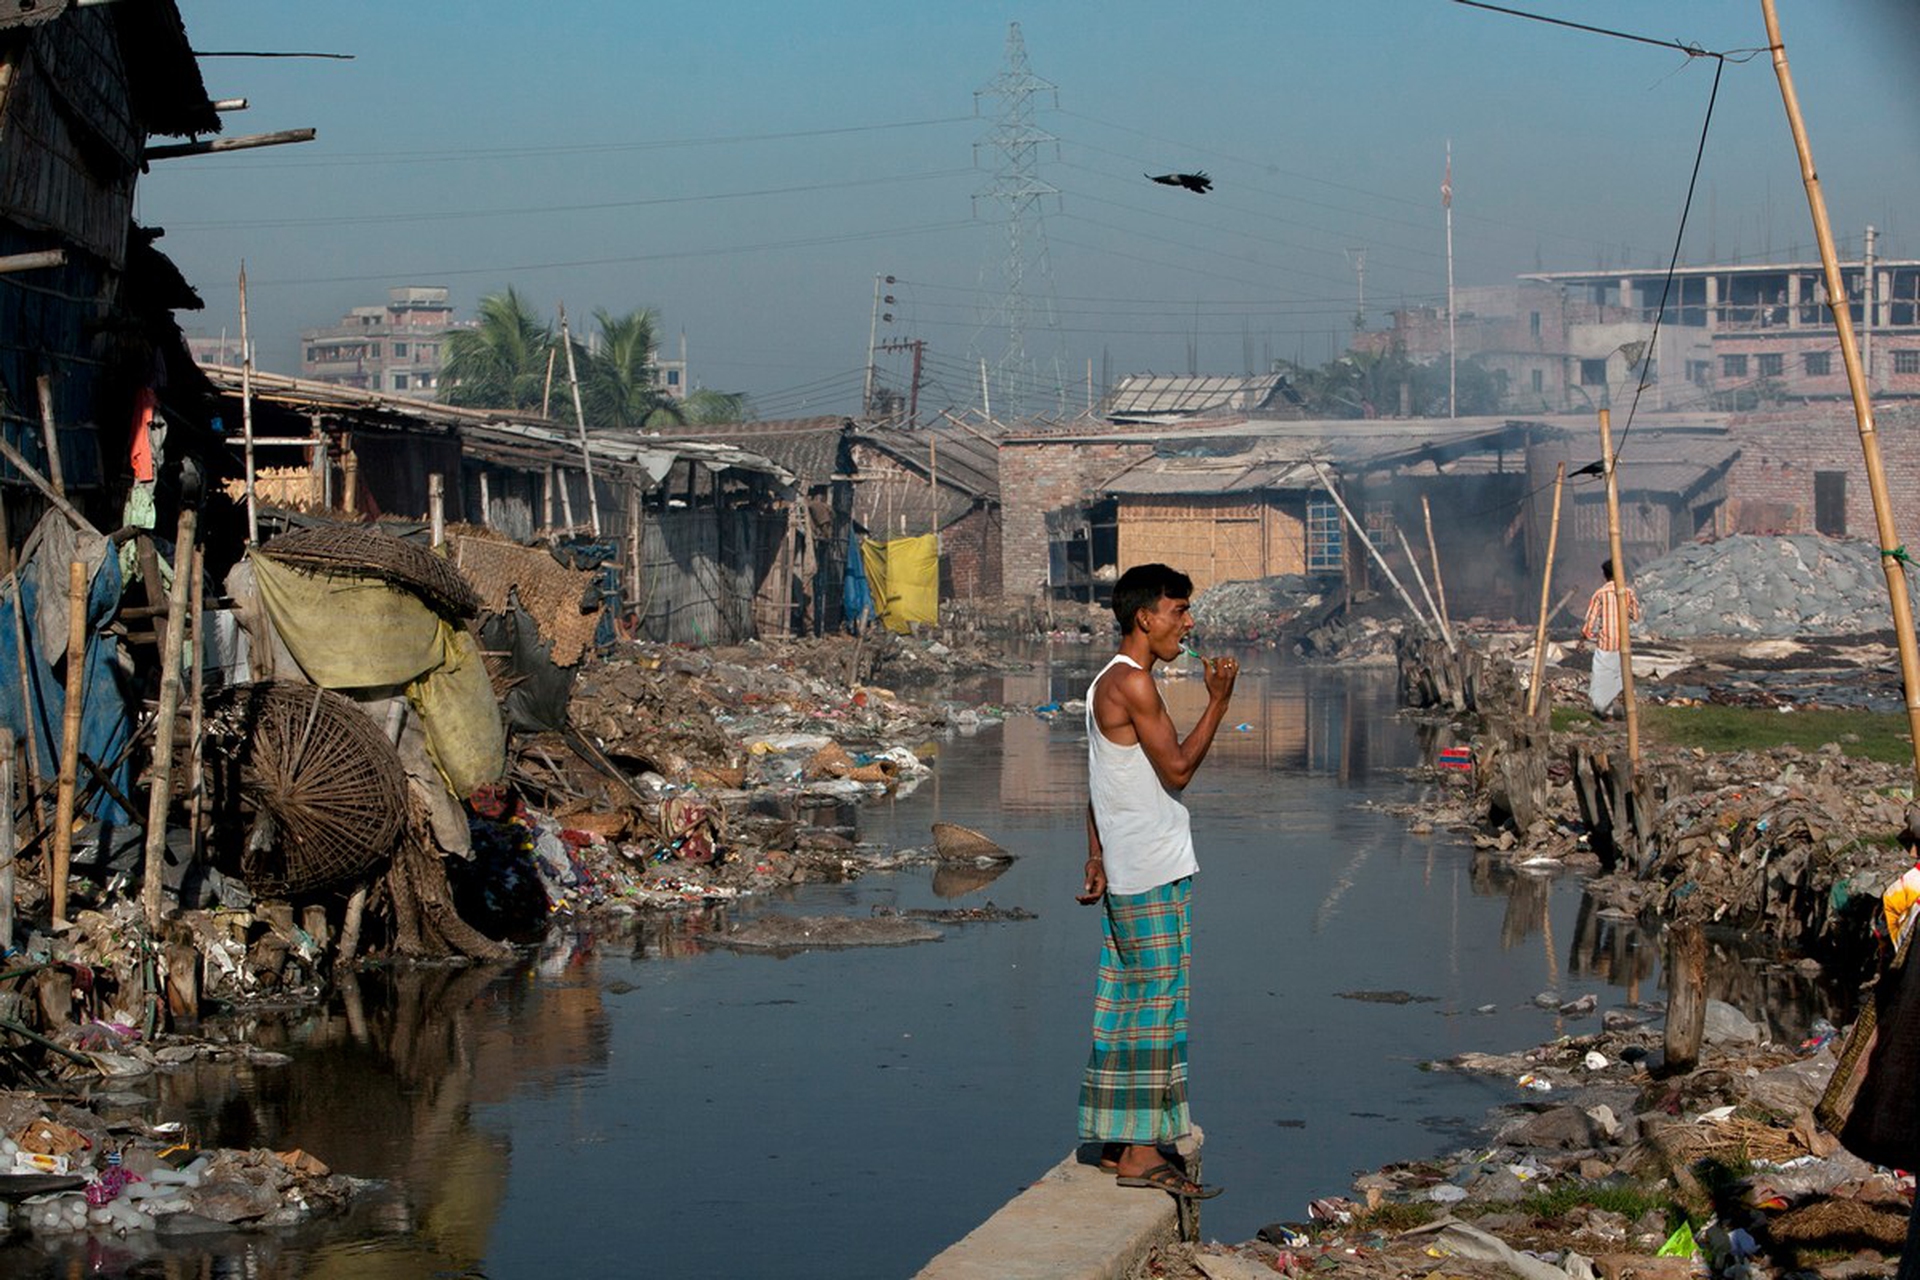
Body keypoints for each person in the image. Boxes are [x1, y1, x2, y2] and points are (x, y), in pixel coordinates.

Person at [1076, 563, 1237, 1200]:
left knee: (1125, 1004)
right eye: (1178, 611)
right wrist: (1219, 702)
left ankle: (1119, 1140)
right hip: (1149, 870)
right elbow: (1176, 771)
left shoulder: (1105, 682)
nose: (1188, 623)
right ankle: (1142, 1151)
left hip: (1128, 864)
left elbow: (1097, 781)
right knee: (1156, 1009)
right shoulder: (1134, 684)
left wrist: (1094, 856)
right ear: (1146, 617)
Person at [1581, 559, 1640, 718]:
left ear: (1605, 575)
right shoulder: (1628, 593)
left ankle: (1605, 712)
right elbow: (1635, 616)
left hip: (1605, 644)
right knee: (1618, 677)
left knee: (1601, 677)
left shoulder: (1600, 594)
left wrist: (1585, 636)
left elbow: (1590, 621)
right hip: (1623, 645)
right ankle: (1622, 710)